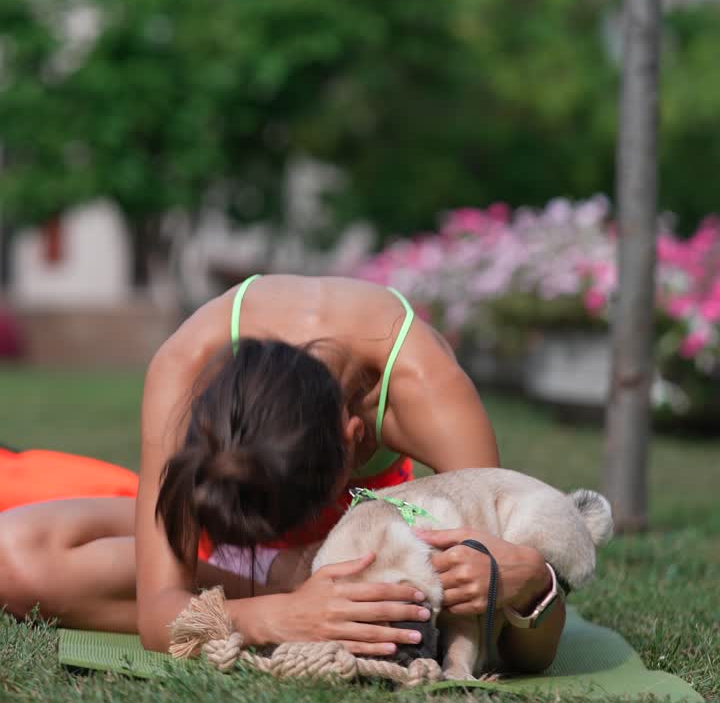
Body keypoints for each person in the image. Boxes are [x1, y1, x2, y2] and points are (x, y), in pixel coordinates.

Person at [0, 275, 564, 667]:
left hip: (362, 550)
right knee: (12, 561)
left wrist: (533, 587)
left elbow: (507, 635)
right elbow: (158, 616)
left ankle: (305, 582)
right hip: (241, 558)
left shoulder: (430, 396)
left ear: (355, 438)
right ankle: (280, 578)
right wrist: (278, 615)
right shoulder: (187, 361)